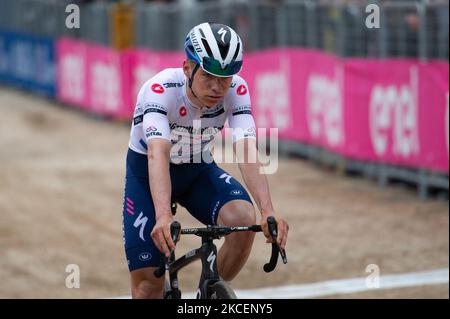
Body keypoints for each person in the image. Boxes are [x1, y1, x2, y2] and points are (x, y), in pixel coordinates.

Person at [122, 22, 289, 299]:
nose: (217, 87)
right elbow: (157, 153)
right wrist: (163, 215)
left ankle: (208, 296)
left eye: (226, 78)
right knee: (147, 288)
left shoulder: (237, 89)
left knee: (242, 220)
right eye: (209, 76)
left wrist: (267, 210)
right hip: (147, 172)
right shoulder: (159, 90)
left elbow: (246, 146)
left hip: (197, 168)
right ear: (188, 67)